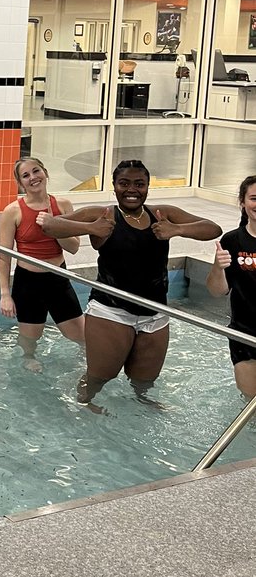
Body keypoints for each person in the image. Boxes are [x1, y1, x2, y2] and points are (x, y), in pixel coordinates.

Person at [38, 159, 221, 404]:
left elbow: (213, 228)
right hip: (111, 312)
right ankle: (84, 405)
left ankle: (141, 410)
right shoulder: (103, 214)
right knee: (99, 377)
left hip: (155, 313)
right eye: (124, 183)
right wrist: (91, 227)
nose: (132, 190)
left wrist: (177, 231)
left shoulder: (161, 214)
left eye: (139, 184)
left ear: (147, 187)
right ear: (114, 186)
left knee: (144, 383)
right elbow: (50, 225)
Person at [0, 157, 85, 370]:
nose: (33, 178)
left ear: (45, 172)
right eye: (25, 176)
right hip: (28, 283)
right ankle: (28, 358)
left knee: (81, 337)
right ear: (20, 183)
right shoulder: (13, 211)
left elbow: (73, 247)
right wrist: (5, 294)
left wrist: (53, 227)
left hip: (58, 279)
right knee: (29, 340)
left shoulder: (63, 205)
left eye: (36, 171)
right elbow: (4, 255)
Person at [206, 174, 256, 398]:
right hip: (245, 334)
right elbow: (217, 291)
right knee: (251, 405)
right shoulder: (232, 241)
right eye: (254, 198)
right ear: (243, 203)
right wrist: (218, 266)